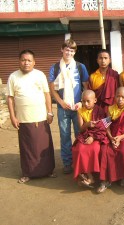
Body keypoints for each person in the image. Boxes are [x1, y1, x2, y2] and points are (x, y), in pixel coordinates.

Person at [7, 49, 56, 183]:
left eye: (29, 60)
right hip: (23, 119)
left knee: (44, 146)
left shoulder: (40, 75)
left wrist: (50, 112)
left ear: (34, 62)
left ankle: (48, 170)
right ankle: (28, 173)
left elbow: (47, 94)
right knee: (27, 147)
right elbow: (10, 98)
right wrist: (12, 116)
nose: (26, 63)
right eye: (23, 60)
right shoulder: (13, 77)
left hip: (41, 117)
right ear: (19, 61)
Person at [49, 39, 89, 174]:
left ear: (75, 52)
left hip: (78, 108)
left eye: (72, 50)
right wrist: (60, 102)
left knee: (80, 134)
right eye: (66, 49)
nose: (69, 52)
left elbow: (86, 87)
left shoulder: (80, 67)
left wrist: (82, 102)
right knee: (65, 135)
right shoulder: (55, 68)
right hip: (63, 108)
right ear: (62, 50)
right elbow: (52, 89)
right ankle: (67, 162)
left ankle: (79, 160)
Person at [97, 87, 124, 193]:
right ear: (114, 96)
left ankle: (123, 176)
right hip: (110, 136)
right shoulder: (109, 109)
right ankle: (104, 180)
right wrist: (111, 138)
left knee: (123, 152)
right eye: (118, 96)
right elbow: (106, 126)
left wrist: (120, 138)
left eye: (123, 97)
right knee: (104, 151)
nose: (120, 99)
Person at [72, 90, 107, 188]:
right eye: (83, 101)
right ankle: (89, 176)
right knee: (79, 150)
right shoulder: (80, 111)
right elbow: (81, 128)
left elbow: (103, 127)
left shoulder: (100, 111)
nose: (85, 104)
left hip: (97, 136)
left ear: (95, 100)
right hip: (84, 135)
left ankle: (95, 175)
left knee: (95, 149)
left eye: (88, 101)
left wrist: (93, 137)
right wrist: (87, 124)